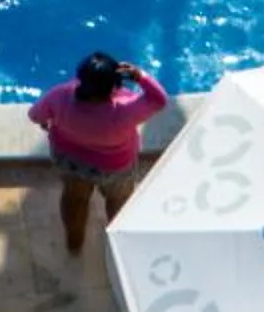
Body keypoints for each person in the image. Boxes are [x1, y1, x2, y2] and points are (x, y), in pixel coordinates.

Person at [27, 52, 172, 254]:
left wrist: (46, 122)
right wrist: (140, 76)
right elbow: (159, 100)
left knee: (75, 199)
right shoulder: (125, 110)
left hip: (71, 161)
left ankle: (74, 242)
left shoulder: (60, 96)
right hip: (116, 167)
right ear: (114, 85)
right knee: (118, 202)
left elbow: (34, 115)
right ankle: (116, 245)